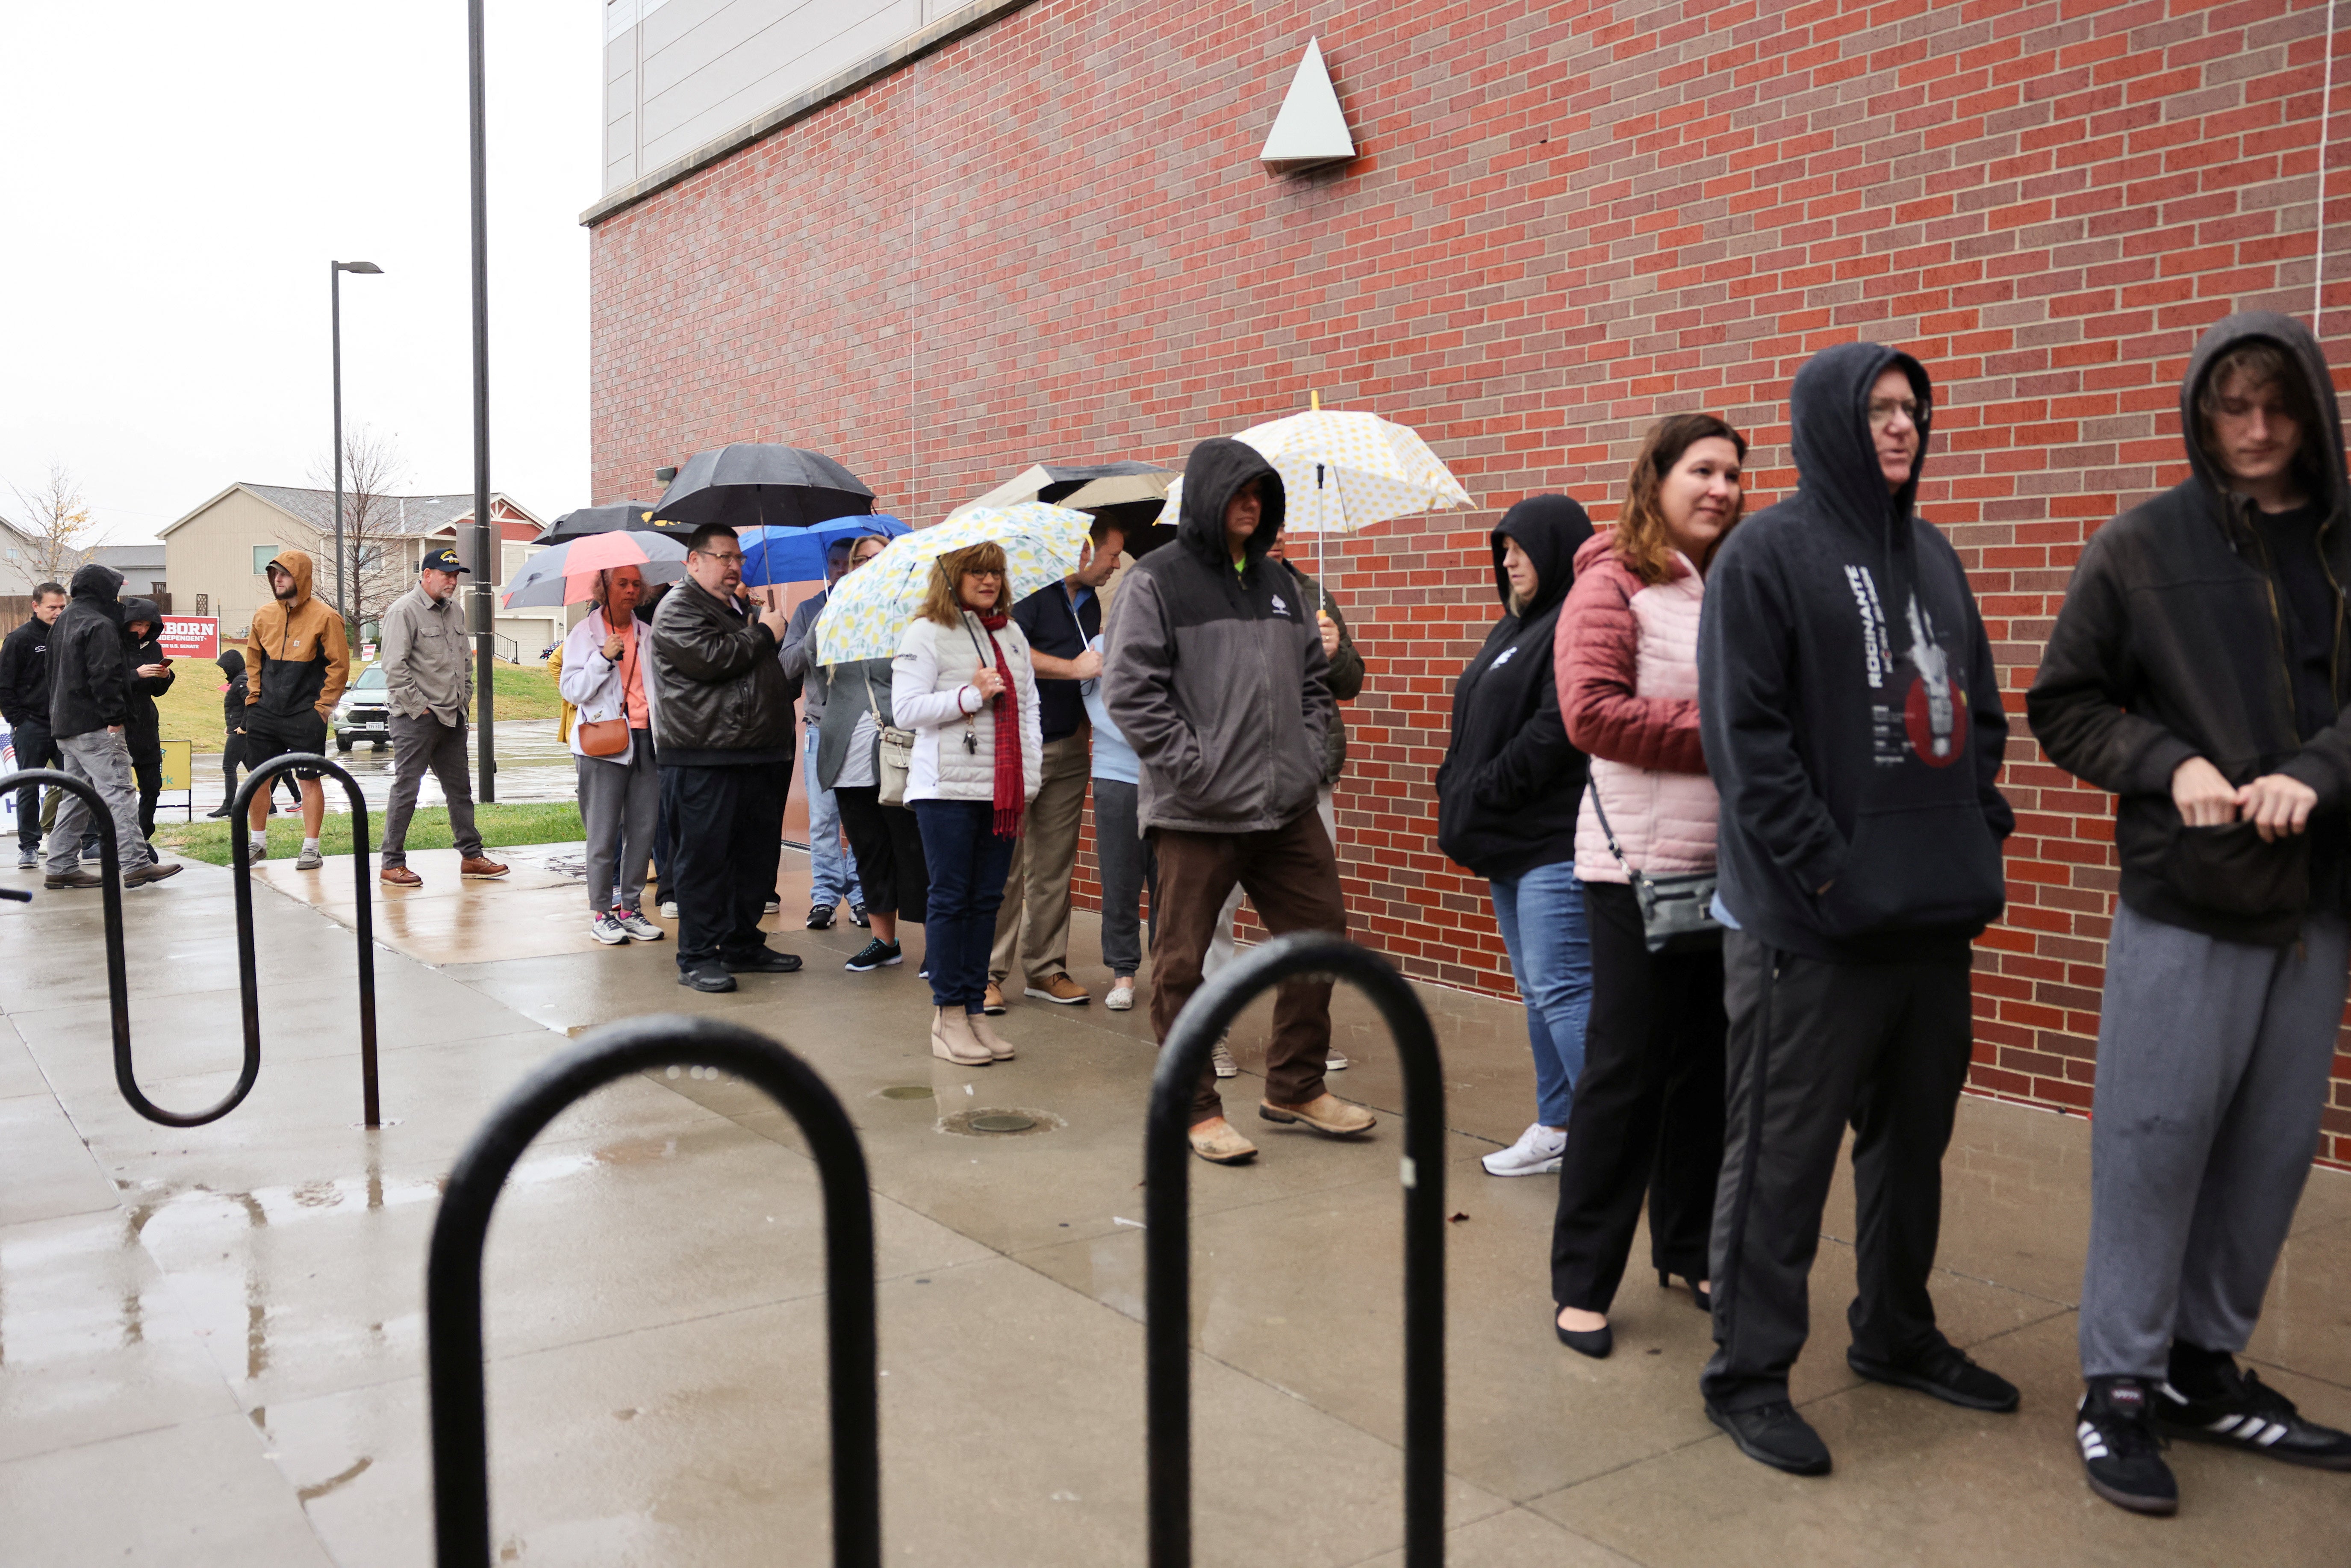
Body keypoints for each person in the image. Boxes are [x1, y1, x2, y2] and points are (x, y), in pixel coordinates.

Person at [2028, 312, 2351, 1514]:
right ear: (2200, 414)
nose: (2257, 430)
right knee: (2153, 1140)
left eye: (2278, 405)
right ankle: (2117, 1383)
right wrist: (2167, 761)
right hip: (2190, 891)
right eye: (2234, 407)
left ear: (2309, 409)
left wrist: (2315, 774)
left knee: (2269, 1150)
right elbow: (2064, 703)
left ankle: (2202, 1370)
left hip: (2318, 900)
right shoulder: (2138, 547)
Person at [1696, 342, 2017, 1475]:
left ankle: (1892, 1328)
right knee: (1779, 1160)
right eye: (1878, 409)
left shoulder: (1932, 555)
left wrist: (1979, 826)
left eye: (1913, 410)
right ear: (1828, 421)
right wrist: (1831, 877)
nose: (1900, 427)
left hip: (1930, 923)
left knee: (1909, 1146)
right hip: (1809, 931)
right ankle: (1745, 1370)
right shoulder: (1764, 559)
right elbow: (1752, 750)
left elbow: (1978, 713)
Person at [1103, 438, 1373, 1164]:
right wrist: (1194, 767)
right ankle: (1193, 1106)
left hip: (1286, 805)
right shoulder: (1157, 582)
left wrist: (1310, 756)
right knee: (1183, 963)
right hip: (1196, 811)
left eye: (1262, 492)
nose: (1251, 503)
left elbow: (1317, 685)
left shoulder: (1283, 583)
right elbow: (1130, 690)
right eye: (1239, 491)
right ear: (1207, 497)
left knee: (1319, 938)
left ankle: (1294, 1085)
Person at [1547, 418, 1746, 1358]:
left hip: (1725, 869)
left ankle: (1688, 1246)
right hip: (1630, 869)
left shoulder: (1733, 586)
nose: (1720, 487)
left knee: (1703, 1071)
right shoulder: (1609, 580)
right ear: (1655, 479)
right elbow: (1589, 714)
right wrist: (1728, 726)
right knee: (1624, 1074)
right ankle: (1582, 1280)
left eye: (1732, 474)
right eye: (1701, 470)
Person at [1435, 495, 1595, 1178]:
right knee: (1538, 991)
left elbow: (1557, 730)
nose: (1507, 561)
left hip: (1552, 843)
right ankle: (1558, 1126)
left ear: (1554, 549)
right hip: (1506, 842)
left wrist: (1483, 787)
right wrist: (1457, 783)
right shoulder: (1514, 627)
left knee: (1563, 990)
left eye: (1519, 549)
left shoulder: (1575, 626)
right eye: (1503, 551)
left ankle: (1619, 1136)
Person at [1195, 518, 1366, 1076]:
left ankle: (1301, 1040)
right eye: (1272, 522)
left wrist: (1334, 652)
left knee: (1310, 912)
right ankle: (1209, 1033)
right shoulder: (1208, 593)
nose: (1282, 534)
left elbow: (1350, 681)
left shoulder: (1314, 594)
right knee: (1214, 912)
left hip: (1306, 779)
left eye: (1289, 525)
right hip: (1232, 781)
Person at [895, 542, 1041, 1064]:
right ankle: (948, 1015)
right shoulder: (924, 632)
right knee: (951, 898)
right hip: (947, 792)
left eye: (996, 571)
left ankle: (975, 1010)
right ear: (951, 576)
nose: (989, 580)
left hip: (1000, 793)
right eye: (976, 571)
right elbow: (906, 709)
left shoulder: (1012, 633)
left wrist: (1031, 778)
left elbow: (1029, 708)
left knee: (988, 901)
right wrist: (970, 694)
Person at [650, 523, 803, 992]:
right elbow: (712, 659)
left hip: (758, 755)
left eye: (737, 556)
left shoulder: (740, 609)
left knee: (754, 859)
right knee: (705, 861)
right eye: (722, 556)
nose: (734, 565)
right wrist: (766, 635)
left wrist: (762, 628)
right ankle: (696, 955)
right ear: (693, 562)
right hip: (704, 756)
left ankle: (742, 941)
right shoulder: (677, 608)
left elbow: (761, 674)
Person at [985, 519, 1126, 1011]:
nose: (1115, 564)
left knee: (1053, 868)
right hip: (1019, 748)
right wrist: (1072, 668)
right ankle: (988, 973)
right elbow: (1008, 652)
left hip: (1069, 744)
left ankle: (1045, 969)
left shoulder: (1089, 601)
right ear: (1084, 549)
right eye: (1111, 554)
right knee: (1006, 868)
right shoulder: (1025, 591)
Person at [816, 531, 930, 973]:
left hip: (899, 745)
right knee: (869, 849)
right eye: (857, 560)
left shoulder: (916, 613)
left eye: (875, 559)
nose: (864, 566)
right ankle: (885, 942)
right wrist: (836, 608)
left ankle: (934, 944)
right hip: (848, 751)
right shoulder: (838, 608)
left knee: (914, 848)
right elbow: (811, 655)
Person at [375, 548, 507, 888]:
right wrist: (420, 707)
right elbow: (393, 667)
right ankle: (392, 863)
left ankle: (472, 856)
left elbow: (464, 661)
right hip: (415, 718)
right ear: (427, 574)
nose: (452, 580)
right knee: (407, 788)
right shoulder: (404, 611)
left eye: (456, 575)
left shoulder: (456, 612)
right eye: (446, 574)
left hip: (453, 716)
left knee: (460, 790)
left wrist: (464, 698)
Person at [41, 564, 179, 888]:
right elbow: (105, 677)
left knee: (77, 796)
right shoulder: (99, 625)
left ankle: (60, 866)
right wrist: (115, 719)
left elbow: (52, 674)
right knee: (119, 792)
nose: (118, 599)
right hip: (97, 726)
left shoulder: (62, 622)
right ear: (103, 591)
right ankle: (136, 863)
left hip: (66, 724)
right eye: (115, 590)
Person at [560, 563, 664, 946]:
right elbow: (572, 690)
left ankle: (631, 908)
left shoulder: (647, 634)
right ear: (604, 586)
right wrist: (602, 659)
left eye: (637, 584)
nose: (631, 590)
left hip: (645, 739)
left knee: (642, 831)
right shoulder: (583, 634)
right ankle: (603, 912)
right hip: (603, 741)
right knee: (603, 834)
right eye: (622, 583)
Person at [242, 550, 350, 872]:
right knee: (258, 779)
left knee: (309, 779)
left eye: (285, 574)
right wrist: (253, 700)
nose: (278, 579)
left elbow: (339, 666)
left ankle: (311, 849)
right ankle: (257, 842)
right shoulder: (263, 616)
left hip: (306, 713)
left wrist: (322, 708)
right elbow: (253, 661)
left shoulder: (326, 617)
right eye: (274, 573)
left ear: (300, 578)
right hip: (264, 712)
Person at [778, 537, 864, 931]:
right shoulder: (809, 608)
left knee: (864, 818)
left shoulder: (876, 610)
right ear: (826, 566)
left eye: (851, 563)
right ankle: (826, 898)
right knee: (823, 819)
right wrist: (820, 623)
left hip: (865, 728)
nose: (843, 570)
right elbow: (787, 665)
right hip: (821, 727)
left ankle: (862, 896)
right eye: (836, 563)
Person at [1083, 626, 1150, 1011]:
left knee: (1171, 888)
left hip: (1174, 782)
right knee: (1121, 882)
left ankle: (1170, 976)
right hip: (1118, 779)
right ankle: (1123, 973)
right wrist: (1162, 737)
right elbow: (1101, 711)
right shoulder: (1098, 649)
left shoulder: (1174, 638)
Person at [0, 581, 66, 869]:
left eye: (63, 607)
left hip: (68, 726)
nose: (58, 613)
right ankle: (28, 847)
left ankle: (85, 842)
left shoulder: (71, 635)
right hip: (32, 727)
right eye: (52, 607)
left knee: (80, 786)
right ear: (35, 606)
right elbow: (5, 686)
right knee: (28, 787)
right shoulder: (20, 639)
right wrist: (19, 721)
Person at [210, 648, 301, 820]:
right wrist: (231, 726)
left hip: (242, 733)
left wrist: (243, 727)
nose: (223, 671)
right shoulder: (241, 679)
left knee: (229, 767)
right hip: (239, 730)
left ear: (231, 666)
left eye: (224, 667)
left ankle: (229, 804)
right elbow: (237, 708)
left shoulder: (241, 681)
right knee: (255, 771)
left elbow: (251, 703)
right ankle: (270, 805)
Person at [118, 597, 174, 865]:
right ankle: (121, 841)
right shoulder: (111, 644)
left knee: (152, 785)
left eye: (148, 625)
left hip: (145, 723)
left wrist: (164, 677)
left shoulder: (154, 647)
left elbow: (158, 692)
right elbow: (103, 681)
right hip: (116, 722)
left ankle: (143, 837)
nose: (142, 630)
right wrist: (135, 674)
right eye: (138, 624)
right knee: (118, 788)